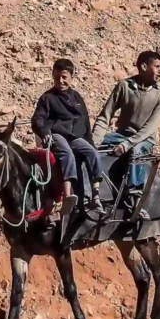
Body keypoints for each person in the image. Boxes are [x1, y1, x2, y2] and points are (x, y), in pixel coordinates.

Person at [92, 50, 160, 215]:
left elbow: (150, 127)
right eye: (157, 67)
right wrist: (93, 141)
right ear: (143, 66)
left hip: (144, 140)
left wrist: (127, 144)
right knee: (88, 149)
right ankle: (91, 190)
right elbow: (105, 116)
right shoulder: (124, 86)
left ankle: (133, 196)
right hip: (120, 136)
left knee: (136, 150)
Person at [31, 58, 104, 215]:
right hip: (56, 134)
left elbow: (85, 123)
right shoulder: (47, 98)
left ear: (71, 76)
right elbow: (38, 119)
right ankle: (68, 194)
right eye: (57, 77)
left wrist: (90, 142)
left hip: (75, 137)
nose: (61, 81)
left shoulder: (77, 98)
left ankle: (96, 194)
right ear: (52, 76)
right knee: (67, 153)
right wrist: (45, 132)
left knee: (93, 153)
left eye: (64, 77)